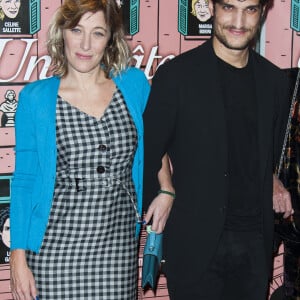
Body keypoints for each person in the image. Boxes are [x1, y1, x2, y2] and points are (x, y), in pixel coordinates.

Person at [143, 0, 293, 299]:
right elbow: (149, 145)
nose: (238, 21)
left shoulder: (274, 82)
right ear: (211, 8)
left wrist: (274, 179)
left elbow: (270, 155)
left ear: (263, 13)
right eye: (229, 7)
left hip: (254, 247)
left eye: (250, 9)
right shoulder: (176, 76)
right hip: (194, 243)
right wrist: (165, 188)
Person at [10, 0, 150, 299]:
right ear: (62, 33)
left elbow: (158, 149)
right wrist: (18, 258)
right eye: (77, 30)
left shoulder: (135, 85)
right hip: (54, 250)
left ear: (110, 37)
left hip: (117, 249)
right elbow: (24, 182)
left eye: (98, 32)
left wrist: (166, 190)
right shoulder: (35, 98)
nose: (86, 44)